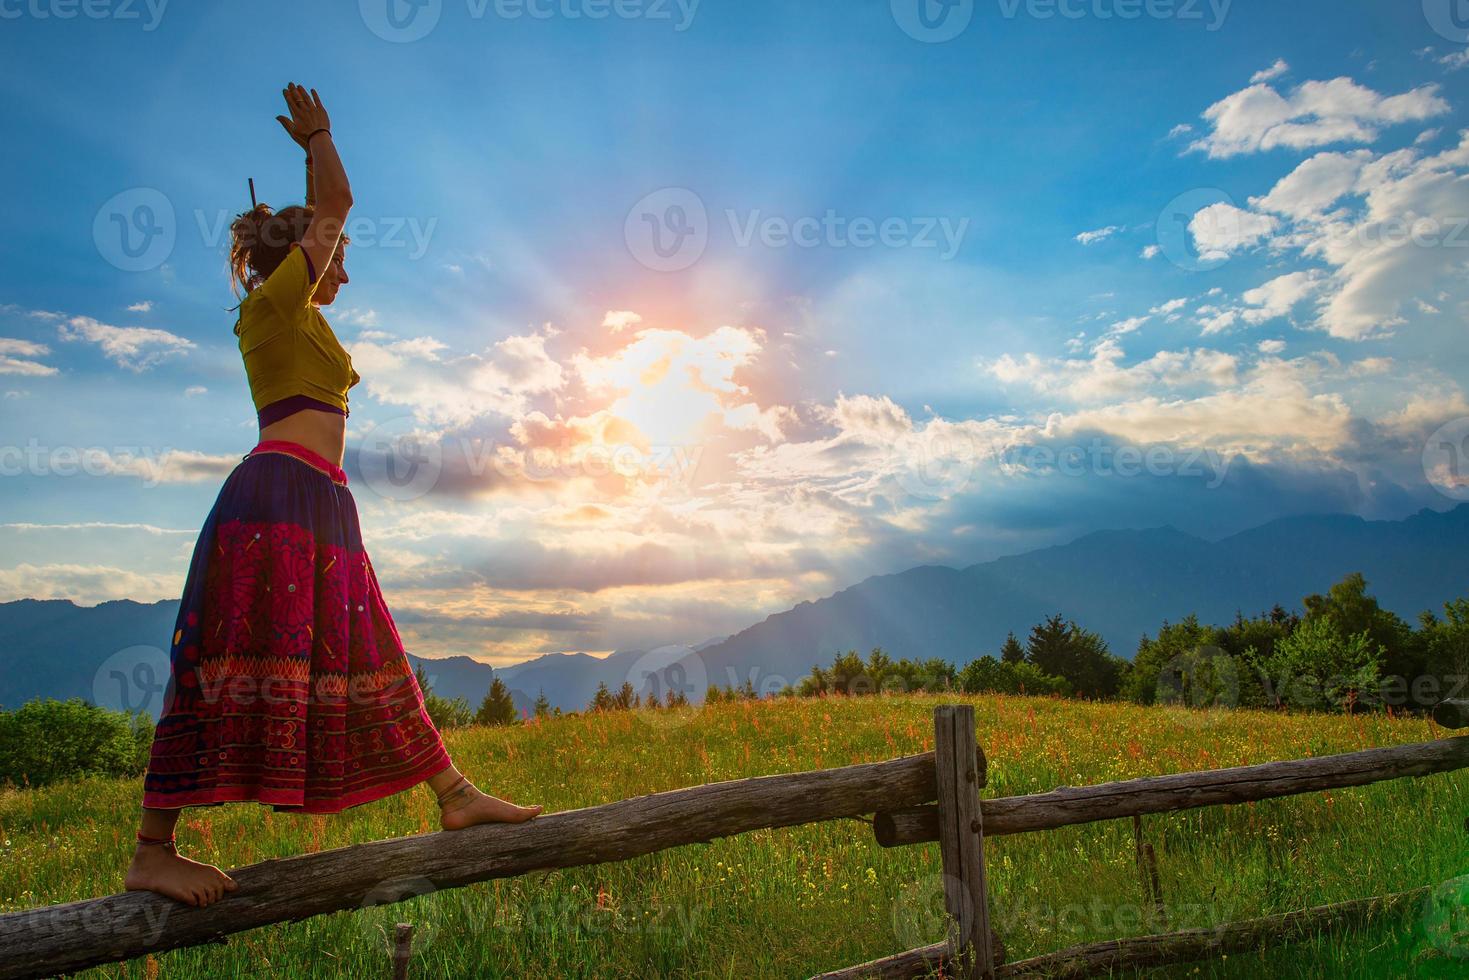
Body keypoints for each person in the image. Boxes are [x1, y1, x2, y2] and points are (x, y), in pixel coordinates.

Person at [124, 84, 542, 909]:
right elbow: (337, 202)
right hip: (272, 501)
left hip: (320, 505)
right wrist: (319, 138)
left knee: (372, 649)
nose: (342, 266)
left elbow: (328, 218)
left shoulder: (302, 321)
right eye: (333, 254)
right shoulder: (274, 306)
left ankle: (454, 794)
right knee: (219, 660)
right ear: (298, 256)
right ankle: (150, 851)